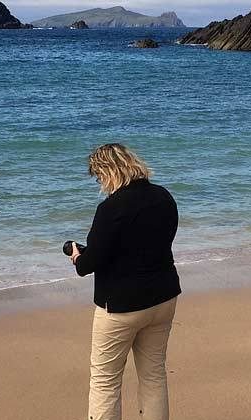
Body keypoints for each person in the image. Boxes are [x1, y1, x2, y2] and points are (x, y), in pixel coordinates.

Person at [69, 143, 181, 420]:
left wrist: (75, 254)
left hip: (121, 305)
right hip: (163, 295)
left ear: (108, 171)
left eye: (99, 177)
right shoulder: (163, 196)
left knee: (105, 381)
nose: (100, 184)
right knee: (154, 375)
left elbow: (88, 265)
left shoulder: (111, 208)